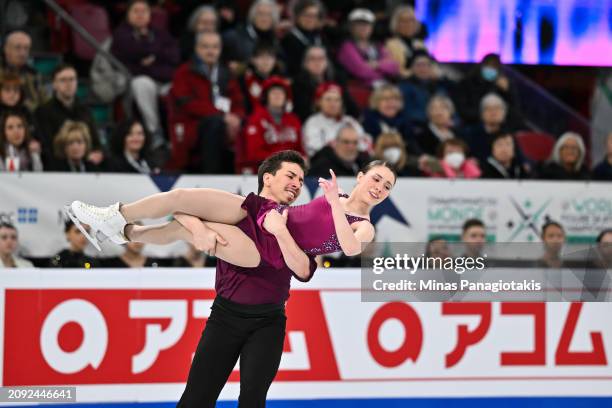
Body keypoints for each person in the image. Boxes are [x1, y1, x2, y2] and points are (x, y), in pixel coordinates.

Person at [69, 151, 394, 268]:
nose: (380, 188)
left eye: (387, 187)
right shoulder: (337, 194)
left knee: (186, 227)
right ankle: (115, 217)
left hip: (273, 249)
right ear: (362, 176)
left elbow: (351, 249)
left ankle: (129, 234)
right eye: (377, 178)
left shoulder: (364, 225)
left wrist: (336, 203)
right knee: (182, 196)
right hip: (265, 212)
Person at [169, 31, 244, 173]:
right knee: (214, 124)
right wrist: (222, 116)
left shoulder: (226, 73)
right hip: (192, 126)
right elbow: (188, 104)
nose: (211, 51)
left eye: (215, 47)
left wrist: (237, 117)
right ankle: (212, 177)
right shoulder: (184, 72)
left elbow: (238, 101)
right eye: (206, 47)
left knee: (247, 123)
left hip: (224, 124)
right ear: (197, 49)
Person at [111, 0, 180, 147]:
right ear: (128, 15)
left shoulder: (160, 33)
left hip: (164, 79)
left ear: (150, 15)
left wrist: (150, 59)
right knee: (141, 83)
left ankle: (177, 135)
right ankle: (154, 132)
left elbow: (174, 56)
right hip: (139, 81)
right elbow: (129, 56)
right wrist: (156, 56)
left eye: (144, 11)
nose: (140, 15)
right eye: (136, 11)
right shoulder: (121, 34)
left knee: (180, 87)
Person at [34, 64, 104, 166]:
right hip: (56, 167)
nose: (68, 84)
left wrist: (97, 153)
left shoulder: (85, 111)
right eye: (63, 80)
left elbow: (96, 142)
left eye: (72, 79)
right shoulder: (43, 112)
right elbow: (47, 147)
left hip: (86, 165)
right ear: (54, 84)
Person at [238, 77, 303, 173]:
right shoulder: (256, 119)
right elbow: (254, 153)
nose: (277, 96)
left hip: (291, 171)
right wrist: (284, 160)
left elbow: (300, 149)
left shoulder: (293, 120)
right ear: (266, 96)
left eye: (281, 93)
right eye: (273, 93)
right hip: (263, 172)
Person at [291, 45, 359, 122]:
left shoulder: (338, 78)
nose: (317, 63)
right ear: (305, 63)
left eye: (321, 58)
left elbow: (350, 105)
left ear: (327, 61)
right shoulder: (299, 83)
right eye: (312, 59)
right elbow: (302, 111)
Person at [302, 82, 369, 158]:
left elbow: (364, 146)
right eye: (328, 99)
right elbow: (313, 152)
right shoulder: (312, 122)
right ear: (318, 102)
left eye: (337, 100)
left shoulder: (350, 121)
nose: (333, 104)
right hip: (325, 164)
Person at [336, 8, 399, 86]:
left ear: (372, 28)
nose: (363, 28)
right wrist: (383, 70)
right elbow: (361, 71)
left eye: (367, 24)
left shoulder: (377, 45)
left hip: (383, 85)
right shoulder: (347, 47)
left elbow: (394, 66)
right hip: (362, 88)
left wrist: (376, 65)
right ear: (351, 28)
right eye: (359, 24)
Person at [222, 0, 281, 73]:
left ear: (274, 18)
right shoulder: (234, 36)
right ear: (252, 15)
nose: (264, 18)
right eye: (260, 14)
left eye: (268, 15)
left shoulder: (275, 40)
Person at [0, 30, 47, 112]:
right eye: (18, 48)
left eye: (26, 48)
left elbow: (45, 102)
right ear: (6, 49)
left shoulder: (34, 74)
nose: (23, 53)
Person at [281, 0, 328, 76]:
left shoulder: (321, 37)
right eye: (306, 15)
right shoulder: (288, 39)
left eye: (314, 16)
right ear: (297, 16)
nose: (310, 19)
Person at [238, 42, 285, 115]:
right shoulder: (244, 80)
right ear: (253, 60)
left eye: (270, 57)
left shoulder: (280, 80)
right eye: (261, 57)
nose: (266, 61)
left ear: (275, 60)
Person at [384, 5, 428, 79]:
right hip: (405, 82)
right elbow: (396, 71)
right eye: (404, 21)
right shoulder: (390, 45)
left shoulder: (420, 44)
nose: (408, 24)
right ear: (396, 24)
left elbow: (429, 66)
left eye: (411, 20)